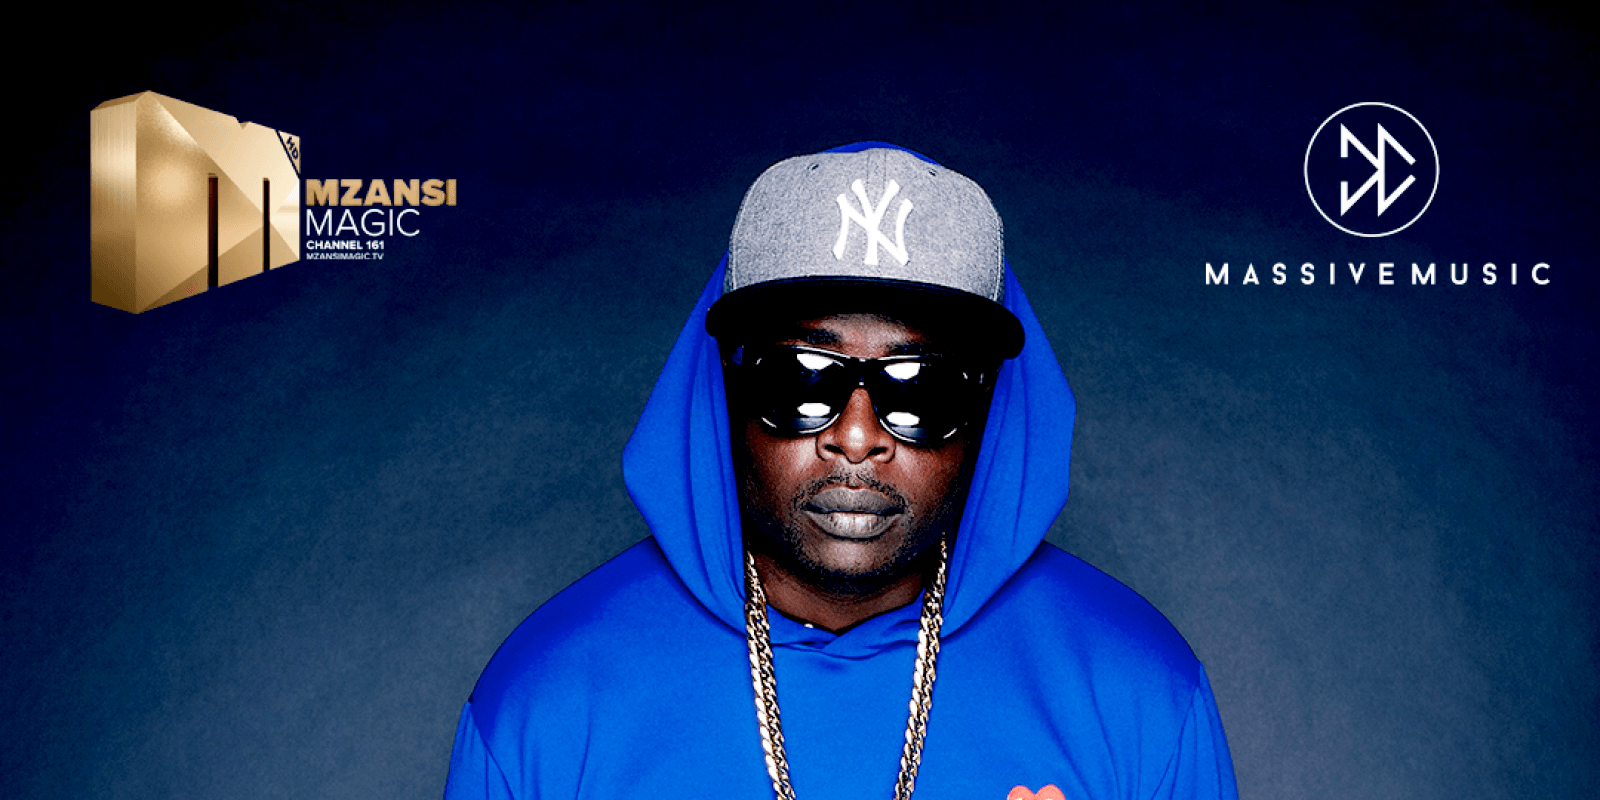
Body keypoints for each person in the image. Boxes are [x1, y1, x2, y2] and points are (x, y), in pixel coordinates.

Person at [443, 143, 1238, 799]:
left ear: (992, 406)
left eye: (921, 387)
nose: (857, 439)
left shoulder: (1141, 694)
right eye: (801, 378)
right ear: (722, 385)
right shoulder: (545, 702)